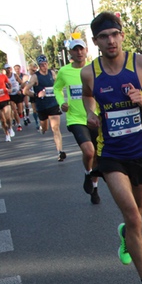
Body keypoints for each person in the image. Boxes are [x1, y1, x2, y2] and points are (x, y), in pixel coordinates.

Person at [82, 11, 142, 284]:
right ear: (96, 42)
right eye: (104, 37)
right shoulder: (90, 73)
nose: (111, 41)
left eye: (114, 34)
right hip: (111, 155)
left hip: (141, 153)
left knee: (137, 218)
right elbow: (87, 95)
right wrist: (90, 113)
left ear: (122, 35)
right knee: (133, 216)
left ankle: (126, 234)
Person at [54, 38, 98, 203]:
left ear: (86, 50)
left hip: (95, 116)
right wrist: (61, 102)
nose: (79, 52)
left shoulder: (94, 68)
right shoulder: (64, 71)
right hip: (75, 118)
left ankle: (94, 187)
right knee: (89, 151)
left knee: (97, 155)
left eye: (81, 49)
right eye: (75, 50)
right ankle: (88, 173)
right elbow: (57, 88)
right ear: (70, 53)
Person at [24, 54, 65, 161]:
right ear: (38, 65)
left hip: (53, 104)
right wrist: (36, 95)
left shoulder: (52, 73)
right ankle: (42, 128)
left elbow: (58, 85)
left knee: (55, 128)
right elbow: (25, 91)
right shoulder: (35, 76)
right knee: (45, 127)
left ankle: (60, 152)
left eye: (45, 64)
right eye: (41, 65)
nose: (44, 66)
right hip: (42, 106)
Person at [5, 64, 25, 130]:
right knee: (14, 111)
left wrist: (20, 89)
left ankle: (21, 114)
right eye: (6, 68)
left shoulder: (14, 75)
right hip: (10, 95)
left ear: (10, 69)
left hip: (17, 94)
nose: (8, 70)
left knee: (20, 111)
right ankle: (19, 125)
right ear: (5, 69)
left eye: (9, 68)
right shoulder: (4, 77)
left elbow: (21, 83)